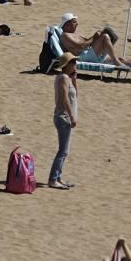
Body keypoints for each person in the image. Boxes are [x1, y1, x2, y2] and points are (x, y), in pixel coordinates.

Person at [60, 13, 131, 69]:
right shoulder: (65, 35)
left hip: (90, 54)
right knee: (105, 37)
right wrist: (95, 37)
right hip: (83, 57)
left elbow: (87, 41)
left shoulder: (75, 34)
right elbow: (80, 46)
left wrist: (96, 36)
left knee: (121, 58)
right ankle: (117, 63)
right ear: (67, 24)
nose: (77, 24)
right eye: (74, 22)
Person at [48, 52, 77, 190]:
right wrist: (71, 116)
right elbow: (65, 99)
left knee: (64, 150)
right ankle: (53, 179)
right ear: (66, 65)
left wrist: (75, 80)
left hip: (63, 117)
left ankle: (58, 177)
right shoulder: (64, 78)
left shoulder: (66, 78)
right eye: (73, 62)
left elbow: (75, 95)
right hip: (63, 117)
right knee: (63, 151)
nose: (75, 64)